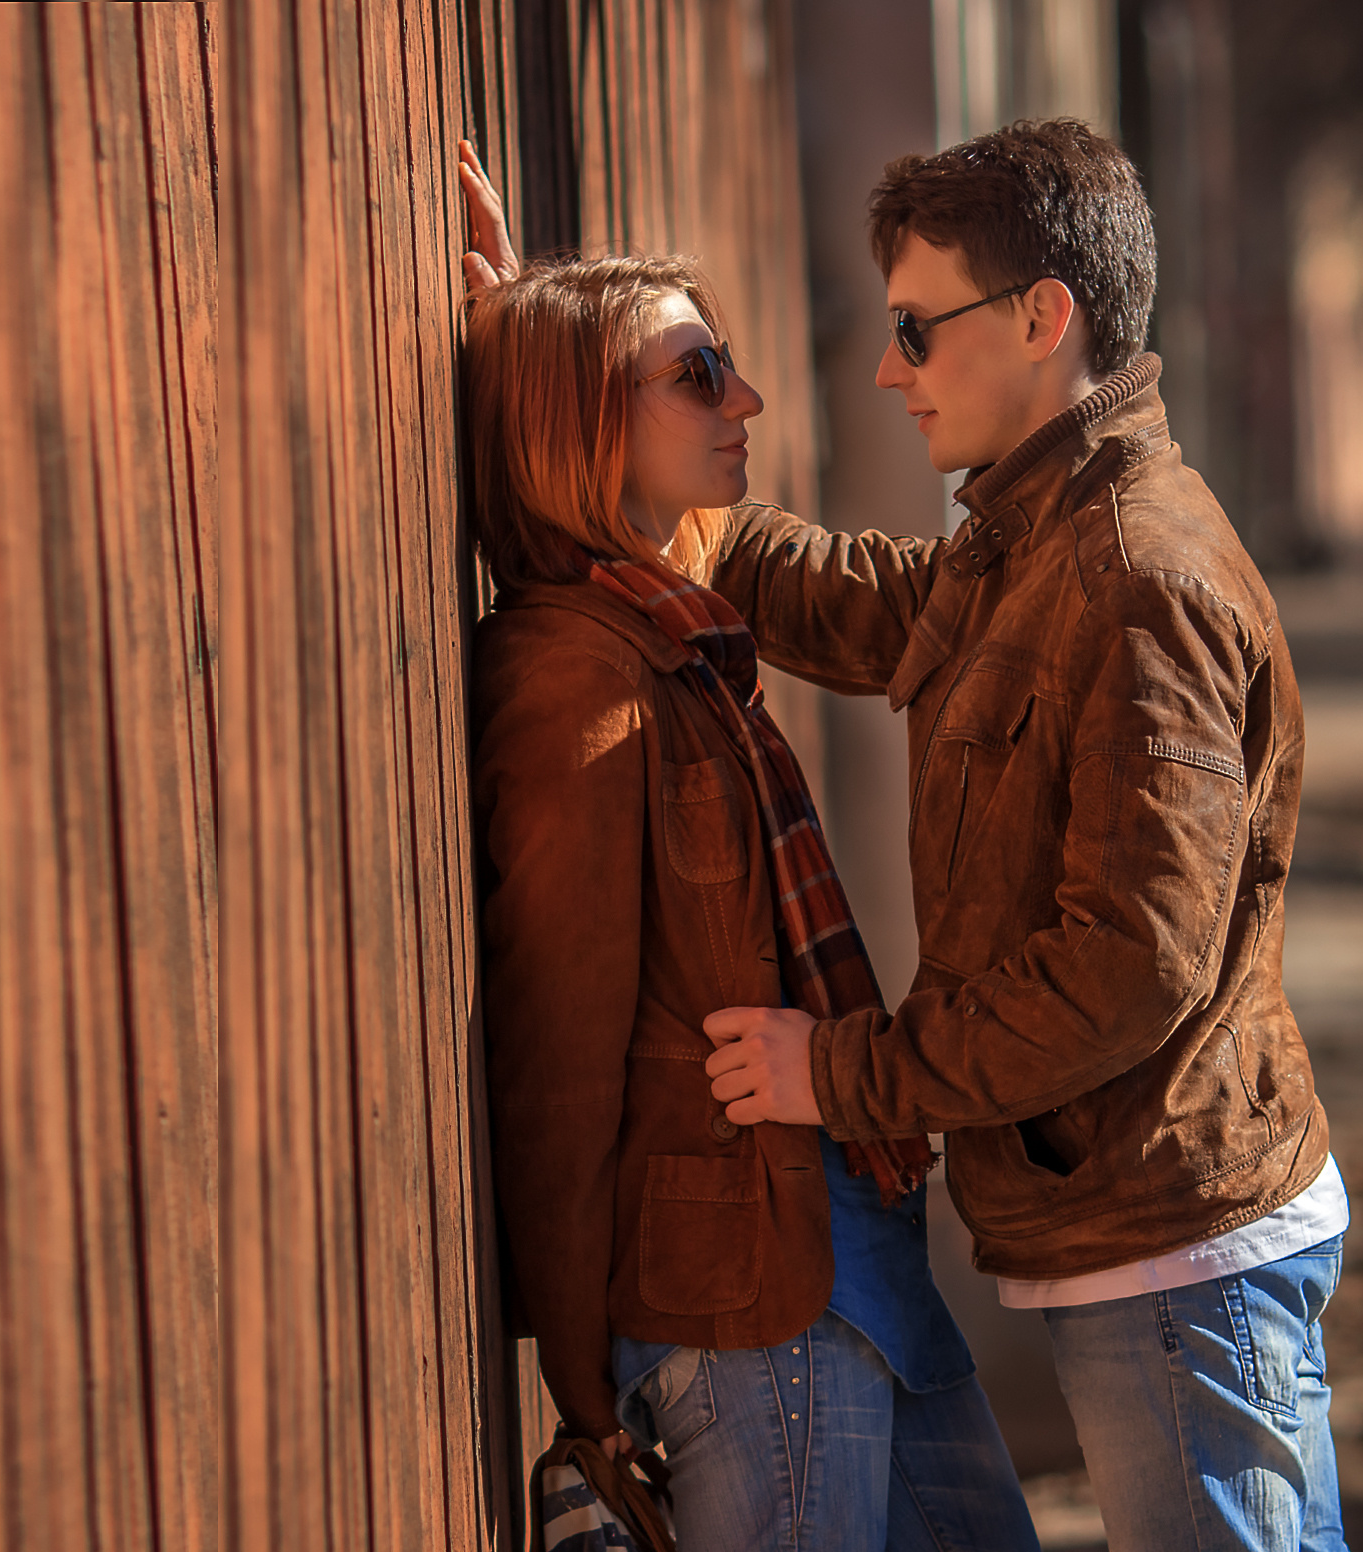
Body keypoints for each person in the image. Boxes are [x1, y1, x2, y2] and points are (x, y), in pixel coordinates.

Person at [462, 115, 1349, 1552]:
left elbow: (1131, 964)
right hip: (1108, 1224)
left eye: (918, 330)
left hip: (1178, 1235)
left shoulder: (1131, 575)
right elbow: (832, 590)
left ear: (1042, 320)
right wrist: (556, 368)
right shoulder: (1032, 549)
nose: (887, 368)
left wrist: (853, 1075)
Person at [459, 239, 1039, 1551]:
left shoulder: (677, 629)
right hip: (744, 1307)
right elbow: (560, 1051)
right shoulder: (576, 687)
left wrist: (539, 304)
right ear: (582, 418)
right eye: (700, 376)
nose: (747, 404)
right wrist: (578, 1379)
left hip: (856, 1258)